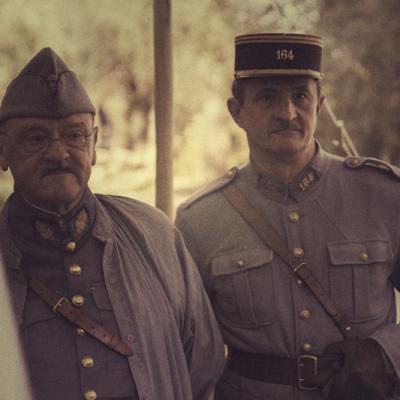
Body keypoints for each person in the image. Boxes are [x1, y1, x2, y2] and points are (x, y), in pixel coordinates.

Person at [175, 33, 400, 399]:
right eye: (267, 97)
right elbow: (185, 348)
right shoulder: (200, 220)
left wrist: (386, 354)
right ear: (237, 112)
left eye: (301, 96)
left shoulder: (382, 195)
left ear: (320, 104)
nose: (288, 113)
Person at [0, 47, 225, 400]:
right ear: (3, 150)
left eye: (75, 135)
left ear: (94, 145)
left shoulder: (154, 235)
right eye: (36, 137)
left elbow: (202, 368)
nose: (59, 153)